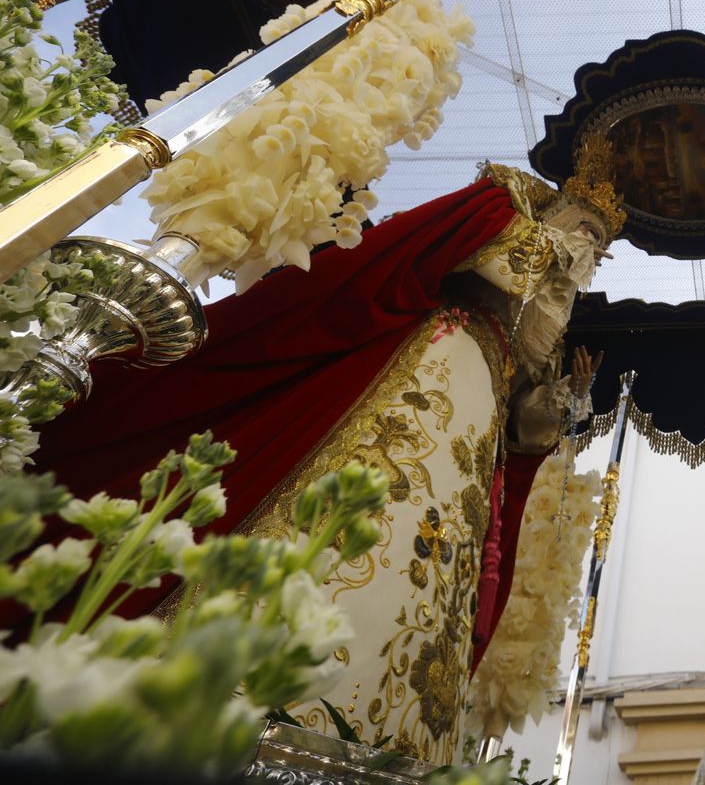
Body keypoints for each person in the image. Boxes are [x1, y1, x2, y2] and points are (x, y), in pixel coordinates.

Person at [33, 139, 625, 762]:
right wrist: (545, 246)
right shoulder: (504, 209)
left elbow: (522, 422)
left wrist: (557, 403)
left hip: (475, 436)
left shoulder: (547, 311)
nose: (591, 248)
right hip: (428, 362)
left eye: (601, 243)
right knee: (363, 513)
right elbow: (438, 251)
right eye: (586, 228)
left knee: (422, 563)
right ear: (557, 209)